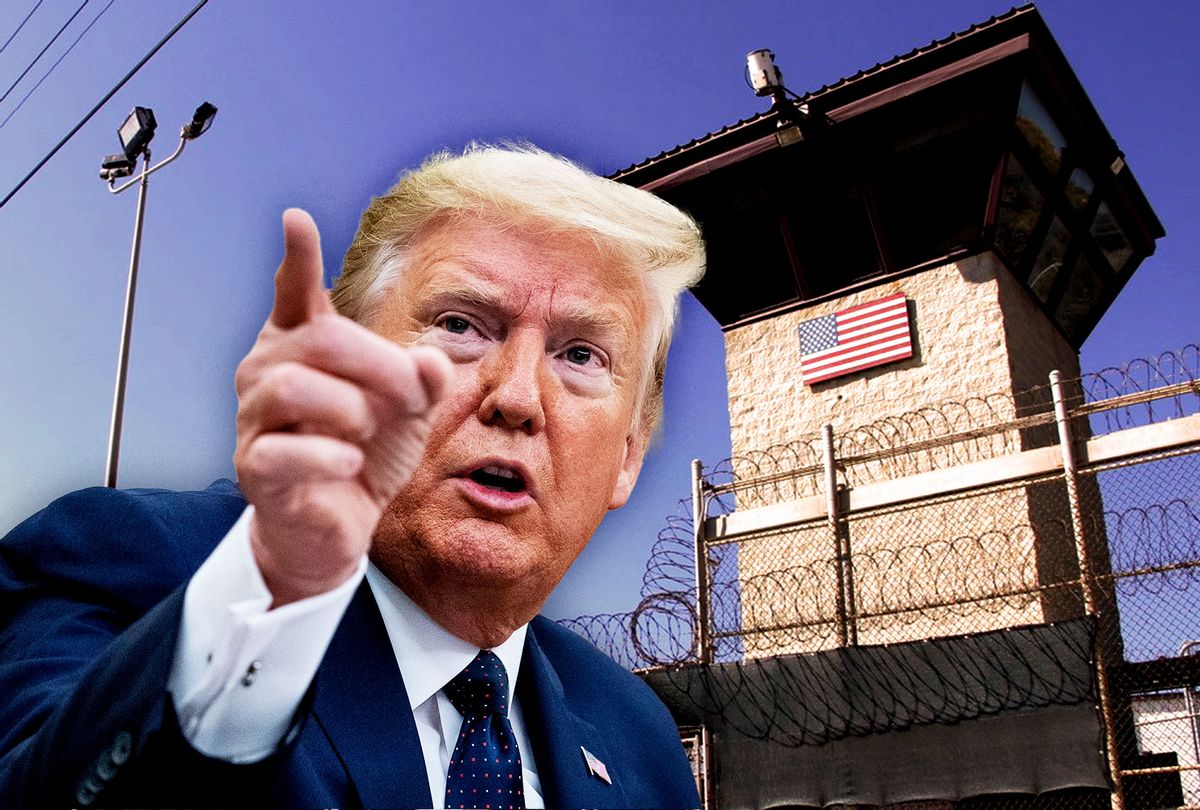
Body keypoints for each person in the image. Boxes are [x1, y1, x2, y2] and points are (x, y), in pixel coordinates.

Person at [0, 144, 706, 809]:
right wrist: (275, 596)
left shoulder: (638, 736)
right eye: (461, 324)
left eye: (580, 356)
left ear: (628, 458)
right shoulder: (125, 564)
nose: (517, 398)